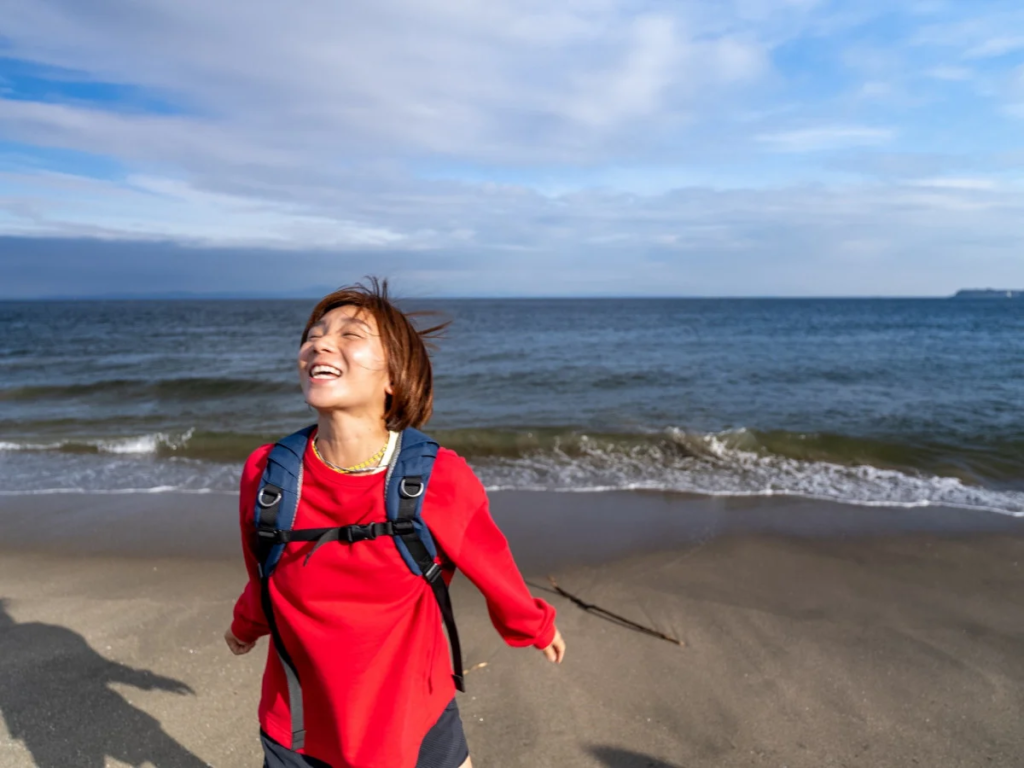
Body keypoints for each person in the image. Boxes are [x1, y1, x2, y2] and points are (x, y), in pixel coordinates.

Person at [225, 279, 565, 768]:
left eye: (350, 334)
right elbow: (263, 574)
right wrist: (246, 625)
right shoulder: (268, 472)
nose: (319, 342)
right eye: (315, 334)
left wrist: (532, 624)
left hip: (416, 717)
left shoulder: (438, 478)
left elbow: (494, 571)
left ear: (395, 377)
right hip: (300, 723)